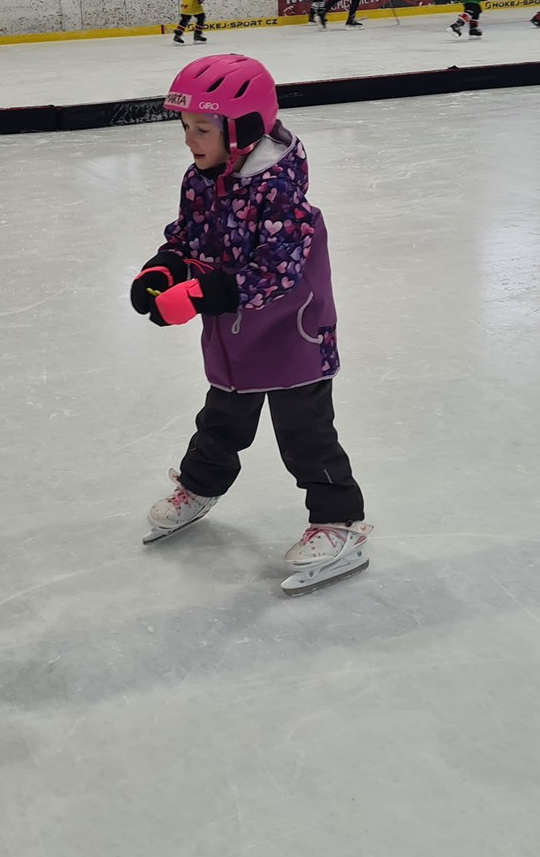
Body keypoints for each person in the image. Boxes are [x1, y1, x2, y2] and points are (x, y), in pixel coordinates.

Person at [127, 54, 369, 595]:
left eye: (203, 129)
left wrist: (200, 294)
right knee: (222, 421)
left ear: (242, 129)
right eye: (185, 127)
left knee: (305, 435)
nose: (190, 140)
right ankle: (199, 486)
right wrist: (162, 269)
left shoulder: (278, 186)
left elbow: (277, 269)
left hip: (291, 334)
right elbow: (189, 238)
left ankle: (340, 521)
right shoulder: (201, 178)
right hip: (234, 334)